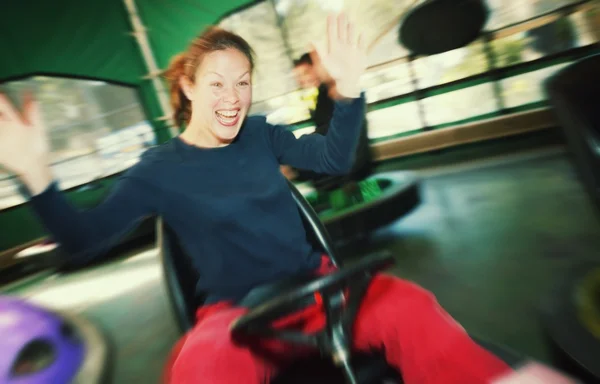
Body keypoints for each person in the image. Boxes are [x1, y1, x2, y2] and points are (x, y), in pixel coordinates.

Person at [0, 13, 573, 384]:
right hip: (236, 315)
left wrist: (346, 94)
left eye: (243, 81)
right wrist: (38, 179)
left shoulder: (260, 132)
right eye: (217, 83)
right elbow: (82, 241)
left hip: (322, 290)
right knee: (199, 365)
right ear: (188, 88)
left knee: (409, 305)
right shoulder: (158, 169)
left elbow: (333, 159)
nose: (232, 96)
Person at [283, 50, 373, 188]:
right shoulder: (325, 93)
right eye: (298, 77)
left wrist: (294, 164)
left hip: (348, 174)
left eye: (306, 72)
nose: (302, 80)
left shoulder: (333, 93)